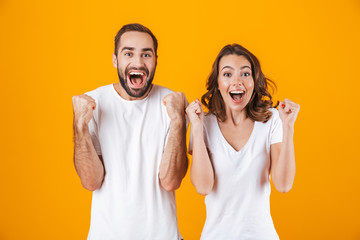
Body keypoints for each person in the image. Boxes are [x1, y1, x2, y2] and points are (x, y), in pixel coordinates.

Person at [72, 23, 188, 240]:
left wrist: (178, 122)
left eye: (146, 54)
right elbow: (91, 181)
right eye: (129, 53)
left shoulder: (172, 103)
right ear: (115, 59)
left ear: (155, 61)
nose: (138, 62)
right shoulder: (94, 103)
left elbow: (171, 181)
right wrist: (80, 126)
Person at [186, 44, 300, 239]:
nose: (237, 81)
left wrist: (288, 127)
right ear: (218, 83)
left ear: (254, 82)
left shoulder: (271, 120)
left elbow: (283, 185)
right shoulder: (204, 124)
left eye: (245, 74)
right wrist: (196, 128)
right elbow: (203, 187)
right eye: (228, 74)